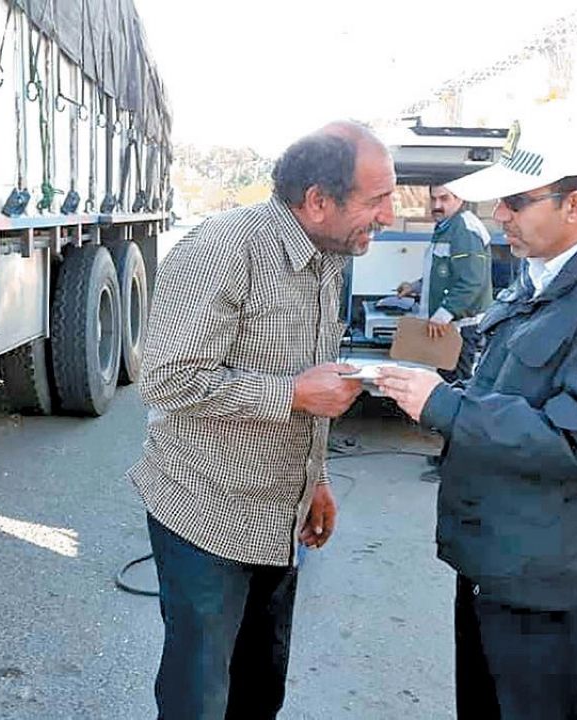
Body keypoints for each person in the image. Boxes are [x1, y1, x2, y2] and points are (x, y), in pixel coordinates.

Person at [373, 101, 577, 719]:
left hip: (550, 584)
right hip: (501, 562)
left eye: (518, 200)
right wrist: (430, 371)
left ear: (575, 205)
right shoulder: (541, 276)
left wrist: (446, 409)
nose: (501, 215)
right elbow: (501, 374)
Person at [127, 121, 396, 719]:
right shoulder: (222, 251)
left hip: (280, 516)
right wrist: (292, 395)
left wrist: (317, 477)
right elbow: (168, 380)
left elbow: (314, 374)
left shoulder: (328, 255)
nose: (391, 214)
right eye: (376, 199)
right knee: (199, 697)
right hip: (206, 514)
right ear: (318, 200)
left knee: (260, 687)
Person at [396, 184, 493, 383]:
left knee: (455, 385)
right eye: (433, 199)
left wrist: (443, 314)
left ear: (460, 199)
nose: (437, 205)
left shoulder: (464, 229)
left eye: (444, 199)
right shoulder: (446, 226)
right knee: (444, 381)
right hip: (447, 326)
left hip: (459, 328)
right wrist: (415, 287)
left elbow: (471, 281)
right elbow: (445, 274)